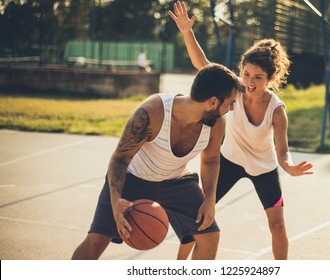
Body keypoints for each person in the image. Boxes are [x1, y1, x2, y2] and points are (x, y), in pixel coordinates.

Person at [169, 1, 314, 260]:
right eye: (246, 74)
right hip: (229, 161)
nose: (249, 82)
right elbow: (203, 64)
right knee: (198, 215)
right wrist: (186, 31)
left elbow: (283, 151)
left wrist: (289, 166)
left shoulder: (276, 110)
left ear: (269, 79)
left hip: (264, 167)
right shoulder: (232, 90)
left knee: (278, 226)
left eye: (258, 78)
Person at [71, 63, 244, 260]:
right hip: (133, 179)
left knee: (210, 236)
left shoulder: (216, 123)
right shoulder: (154, 112)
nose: (231, 108)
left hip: (176, 182)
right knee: (96, 241)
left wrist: (210, 199)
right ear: (213, 102)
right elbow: (120, 157)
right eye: (230, 103)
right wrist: (115, 199)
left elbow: (211, 160)